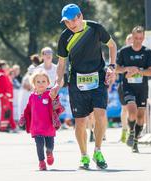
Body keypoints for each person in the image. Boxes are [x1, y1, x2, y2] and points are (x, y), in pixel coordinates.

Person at [50, 3, 117, 169]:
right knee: (80, 122)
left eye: (72, 21)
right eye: (66, 22)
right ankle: (84, 156)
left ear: (79, 16)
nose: (70, 25)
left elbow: (112, 45)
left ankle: (98, 150)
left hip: (98, 78)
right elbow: (61, 62)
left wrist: (112, 66)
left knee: (100, 114)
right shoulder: (64, 37)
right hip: (77, 82)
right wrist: (58, 81)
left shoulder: (95, 28)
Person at [116, 26, 151, 153]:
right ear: (132, 37)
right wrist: (127, 69)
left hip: (142, 88)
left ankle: (135, 141)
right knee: (132, 111)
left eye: (140, 38)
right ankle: (131, 132)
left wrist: (139, 71)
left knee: (140, 117)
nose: (138, 40)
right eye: (136, 38)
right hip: (128, 86)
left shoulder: (147, 52)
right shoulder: (124, 52)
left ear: (143, 38)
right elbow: (116, 68)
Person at [19, 70, 63, 170]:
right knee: (39, 145)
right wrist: (23, 117)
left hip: (49, 127)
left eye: (43, 81)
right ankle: (41, 162)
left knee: (50, 146)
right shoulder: (32, 97)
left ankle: (49, 153)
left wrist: (56, 102)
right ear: (33, 84)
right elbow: (27, 109)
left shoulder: (50, 94)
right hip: (36, 127)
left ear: (48, 83)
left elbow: (58, 108)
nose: (41, 84)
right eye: (38, 82)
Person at [118, 33, 133, 143]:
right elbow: (116, 68)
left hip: (136, 85)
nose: (132, 42)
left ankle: (132, 132)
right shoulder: (122, 53)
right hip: (124, 84)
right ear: (126, 42)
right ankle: (124, 130)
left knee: (134, 109)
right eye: (129, 40)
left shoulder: (140, 53)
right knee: (124, 109)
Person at [0, 60, 17, 132]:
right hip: (5, 97)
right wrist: (4, 96)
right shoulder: (1, 75)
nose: (6, 67)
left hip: (7, 97)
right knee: (6, 112)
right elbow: (2, 87)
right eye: (5, 66)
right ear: (2, 66)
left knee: (8, 112)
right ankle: (4, 127)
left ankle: (8, 126)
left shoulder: (4, 75)